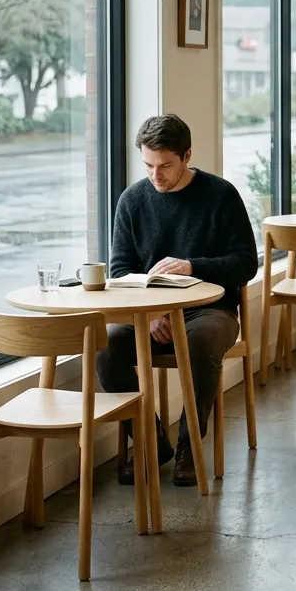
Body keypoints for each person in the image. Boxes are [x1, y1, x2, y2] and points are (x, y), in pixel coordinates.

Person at [96, 114, 258, 486]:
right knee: (104, 347)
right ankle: (152, 442)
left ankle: (189, 444)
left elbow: (246, 263)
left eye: (165, 165)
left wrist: (191, 265)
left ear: (187, 155)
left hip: (209, 311)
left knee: (200, 344)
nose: (156, 176)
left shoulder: (220, 195)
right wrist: (150, 314)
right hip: (148, 313)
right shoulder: (133, 200)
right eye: (148, 165)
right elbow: (121, 269)